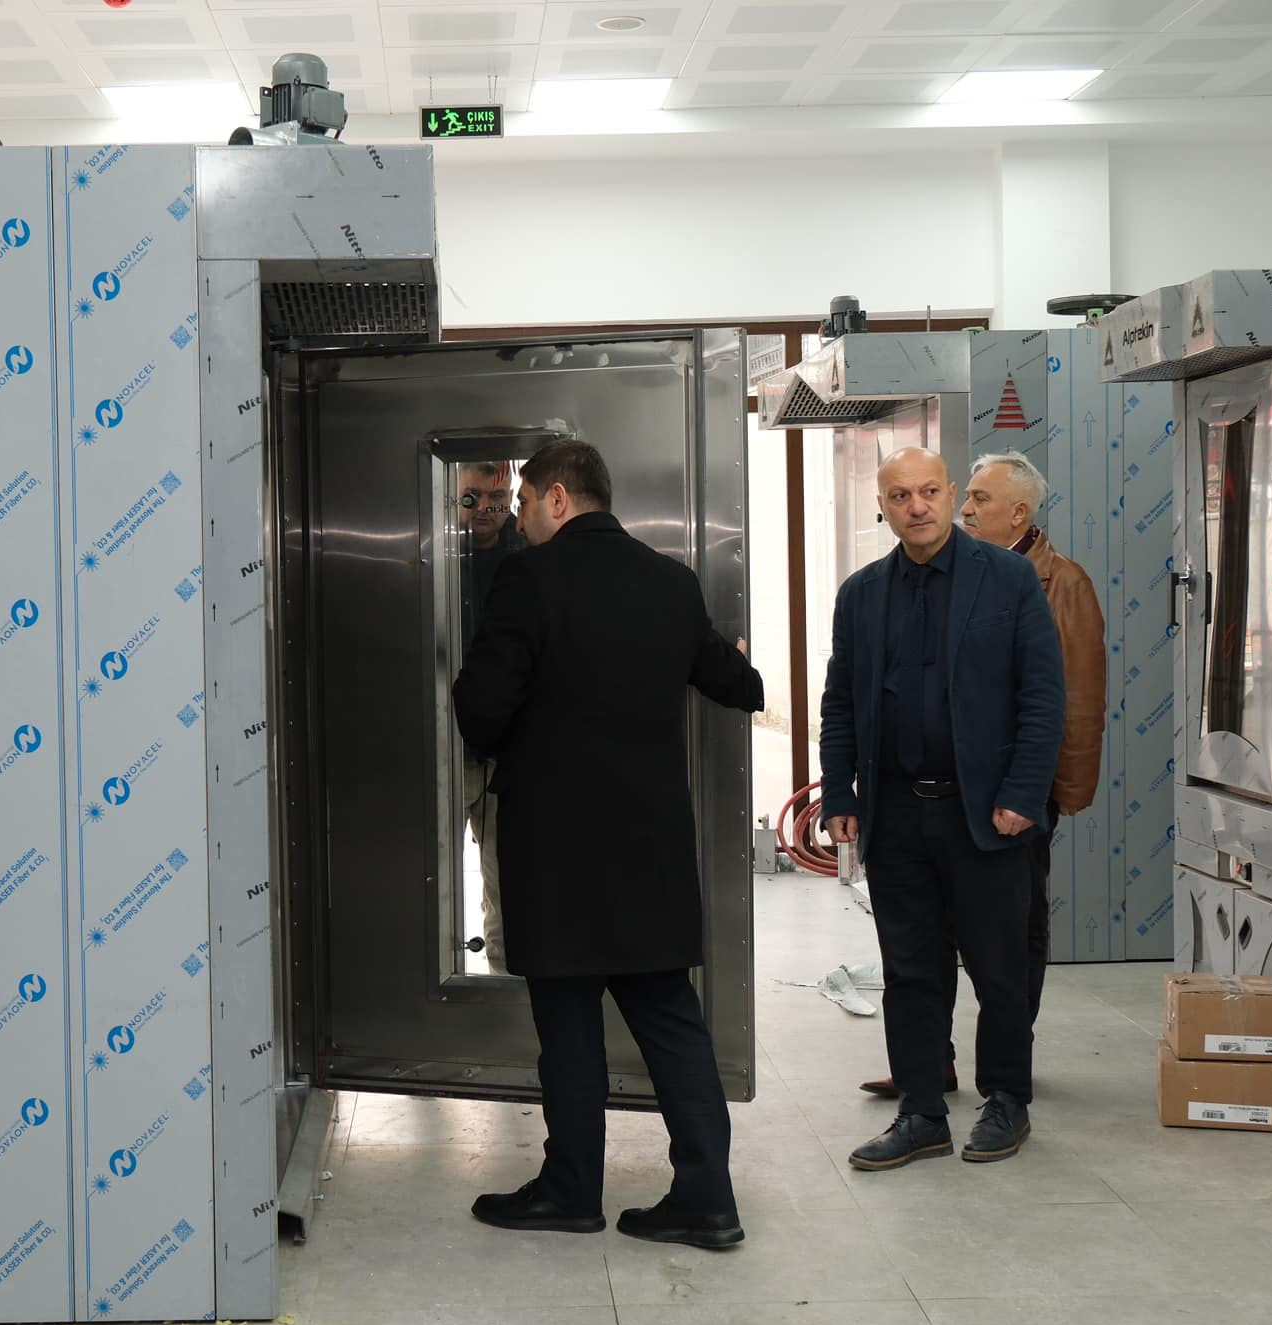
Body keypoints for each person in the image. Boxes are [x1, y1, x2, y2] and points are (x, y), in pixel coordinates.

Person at [452, 438, 763, 1247]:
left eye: (524, 503)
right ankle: (708, 1200)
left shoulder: (527, 579)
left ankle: (571, 1192)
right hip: (649, 843)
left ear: (558, 497)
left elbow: (482, 710)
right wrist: (736, 663)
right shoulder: (671, 582)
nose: (520, 519)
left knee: (568, 1023)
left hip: (556, 848)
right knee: (671, 1018)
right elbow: (737, 684)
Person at [819, 447, 1063, 1170]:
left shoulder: (1008, 579)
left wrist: (1023, 793)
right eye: (900, 495)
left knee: (999, 968)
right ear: (883, 507)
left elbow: (1043, 695)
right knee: (911, 971)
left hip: (986, 815)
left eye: (928, 491)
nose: (916, 506)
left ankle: (1007, 1100)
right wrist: (840, 792)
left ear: (951, 495)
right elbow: (840, 703)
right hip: (896, 815)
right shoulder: (861, 595)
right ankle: (922, 1111)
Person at [856, 451, 1107, 1100]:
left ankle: (1006, 1077)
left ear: (1019, 512)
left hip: (1012, 797)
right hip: (930, 801)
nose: (965, 509)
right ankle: (929, 1065)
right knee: (924, 941)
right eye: (963, 496)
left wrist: (1050, 793)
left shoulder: (1055, 582)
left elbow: (1072, 697)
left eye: (978, 499)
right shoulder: (909, 582)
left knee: (1010, 943)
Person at [457, 460, 527, 973]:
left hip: (507, 750)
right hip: (445, 745)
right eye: (471, 497)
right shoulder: (432, 552)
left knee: (507, 876)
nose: (484, 509)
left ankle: (505, 977)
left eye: (496, 499)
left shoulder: (529, 559)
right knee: (429, 874)